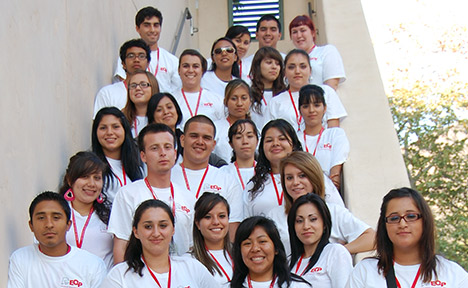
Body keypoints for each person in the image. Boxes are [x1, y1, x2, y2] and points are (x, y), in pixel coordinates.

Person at [346, 187, 468, 287]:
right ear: (385, 226)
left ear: (424, 221)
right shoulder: (365, 272)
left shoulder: (452, 274)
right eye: (394, 218)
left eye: (411, 216)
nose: (402, 224)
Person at [108, 123, 195, 263]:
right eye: (154, 148)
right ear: (143, 156)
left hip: (179, 277)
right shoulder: (128, 194)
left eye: (167, 147)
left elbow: (192, 247)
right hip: (141, 275)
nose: (162, 153)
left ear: (174, 153)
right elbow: (121, 245)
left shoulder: (188, 197)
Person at [102, 199, 220, 287]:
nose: (156, 233)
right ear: (136, 232)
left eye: (163, 225)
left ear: (173, 229)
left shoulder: (192, 267)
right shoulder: (119, 275)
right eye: (148, 226)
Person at [281, 151, 375, 255]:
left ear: (314, 177)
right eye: (289, 178)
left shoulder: (334, 212)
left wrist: (334, 254)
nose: (295, 182)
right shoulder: (274, 215)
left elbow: (372, 238)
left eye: (302, 176)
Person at [7, 192, 106, 287]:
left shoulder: (93, 265)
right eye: (41, 218)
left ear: (68, 225)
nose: (49, 225)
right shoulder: (20, 258)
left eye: (56, 217)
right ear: (31, 226)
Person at [171, 115, 243, 239]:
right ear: (182, 140)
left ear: (213, 144)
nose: (200, 142)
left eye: (206, 138)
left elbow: (232, 231)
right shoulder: (167, 176)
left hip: (212, 256)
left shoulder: (227, 180)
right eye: (194, 136)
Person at [58, 151, 113, 270]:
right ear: (69, 179)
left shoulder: (111, 215)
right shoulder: (57, 213)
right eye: (85, 176)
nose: (92, 184)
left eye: (97, 178)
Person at [268, 49, 347, 130]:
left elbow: (334, 130)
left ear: (310, 70)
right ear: (284, 72)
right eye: (291, 67)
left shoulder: (326, 92)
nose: (297, 71)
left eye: (303, 66)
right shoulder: (275, 102)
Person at [288, 193, 352, 288]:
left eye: (313, 219)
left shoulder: (335, 252)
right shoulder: (289, 261)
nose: (306, 226)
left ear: (325, 224)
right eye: (299, 221)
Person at [113, 7, 181, 92]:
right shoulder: (128, 57)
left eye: (156, 25)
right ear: (137, 28)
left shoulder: (172, 61)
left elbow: (177, 91)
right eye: (147, 25)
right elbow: (122, 87)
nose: (152, 30)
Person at [244, 119, 302, 218]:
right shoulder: (253, 186)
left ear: (294, 144)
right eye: (269, 140)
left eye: (282, 139)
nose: (275, 143)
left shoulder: (309, 177)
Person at [231, 216, 310, 288]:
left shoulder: (297, 286)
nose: (255, 249)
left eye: (262, 241)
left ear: (276, 248)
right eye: (247, 243)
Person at [297, 84, 350, 190]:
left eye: (316, 105)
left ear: (325, 108)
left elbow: (336, 172)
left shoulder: (335, 134)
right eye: (306, 106)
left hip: (328, 192)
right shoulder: (294, 138)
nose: (311, 110)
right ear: (300, 110)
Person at [92, 107, 144, 202]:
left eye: (115, 127)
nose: (109, 132)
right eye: (103, 128)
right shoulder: (91, 167)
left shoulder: (137, 164)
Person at [94, 39, 151, 118]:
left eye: (141, 56)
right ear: (123, 64)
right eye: (131, 56)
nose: (136, 60)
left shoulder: (153, 92)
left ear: (148, 63)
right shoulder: (108, 93)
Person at [289, 15, 346, 90]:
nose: (299, 35)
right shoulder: (288, 60)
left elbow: (331, 87)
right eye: (294, 32)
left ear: (313, 33)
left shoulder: (327, 51)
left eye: (303, 30)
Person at [172, 49, 224, 129]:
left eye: (195, 66)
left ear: (202, 70)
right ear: (179, 70)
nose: (190, 70)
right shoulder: (171, 100)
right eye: (186, 66)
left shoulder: (217, 100)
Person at [192, 193, 233, 285]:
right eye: (208, 217)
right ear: (198, 224)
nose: (216, 222)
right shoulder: (189, 261)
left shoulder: (242, 253)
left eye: (221, 216)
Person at [214, 79, 252, 162]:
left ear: (250, 101)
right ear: (225, 102)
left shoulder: (256, 131)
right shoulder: (215, 129)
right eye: (234, 99)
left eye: (244, 98)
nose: (239, 103)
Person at [249, 46, 287, 130]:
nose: (274, 67)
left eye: (277, 64)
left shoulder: (285, 94)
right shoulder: (248, 94)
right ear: (258, 65)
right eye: (269, 62)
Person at [220, 119, 259, 191]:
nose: (245, 141)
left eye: (249, 136)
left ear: (257, 141)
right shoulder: (223, 172)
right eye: (238, 137)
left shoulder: (265, 172)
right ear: (231, 144)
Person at [122, 70, 159, 138]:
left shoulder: (162, 117)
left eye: (143, 84)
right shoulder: (121, 117)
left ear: (153, 87)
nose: (138, 88)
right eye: (133, 85)